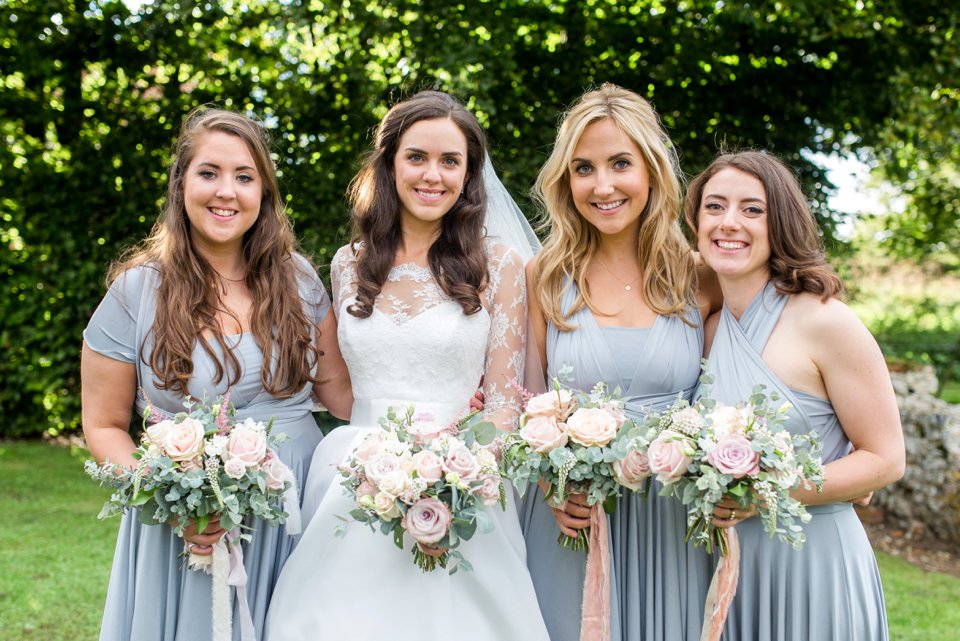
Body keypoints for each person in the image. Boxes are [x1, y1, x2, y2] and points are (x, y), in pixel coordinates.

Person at [263, 90, 550, 641]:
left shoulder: (501, 265)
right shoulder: (349, 262)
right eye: (416, 157)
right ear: (390, 163)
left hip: (462, 478)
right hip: (352, 474)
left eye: (450, 161)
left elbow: (508, 401)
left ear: (469, 176)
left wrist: (453, 479)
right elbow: (338, 383)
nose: (432, 175)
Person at [82, 107, 352, 641]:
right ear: (181, 182)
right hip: (185, 521)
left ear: (264, 193)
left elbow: (342, 395)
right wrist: (169, 496)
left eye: (244, 177)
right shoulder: (137, 291)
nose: (226, 191)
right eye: (209, 173)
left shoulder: (299, 280)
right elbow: (104, 424)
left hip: (290, 510)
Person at [520, 83, 721, 641]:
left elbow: (738, 385)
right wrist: (550, 489)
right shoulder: (544, 276)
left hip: (672, 517)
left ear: (652, 171)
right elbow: (526, 402)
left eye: (620, 164)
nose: (602, 185)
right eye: (584, 168)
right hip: (573, 518)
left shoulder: (700, 277)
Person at [685, 150, 905, 640]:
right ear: (696, 220)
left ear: (780, 221)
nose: (729, 222)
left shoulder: (825, 321)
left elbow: (885, 460)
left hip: (814, 561)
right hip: (726, 566)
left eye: (752, 209)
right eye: (714, 206)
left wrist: (761, 493)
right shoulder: (707, 328)